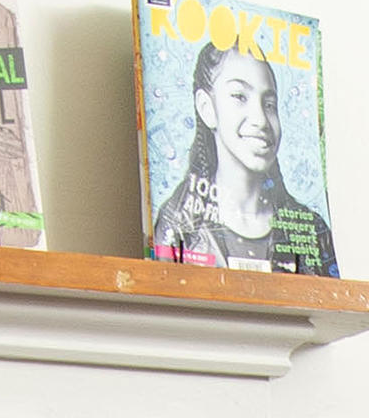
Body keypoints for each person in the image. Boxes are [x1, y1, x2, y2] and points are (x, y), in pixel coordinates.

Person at [143, 36, 335, 275]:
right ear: (206, 108)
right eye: (239, 96)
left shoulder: (313, 231)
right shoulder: (179, 226)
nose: (261, 120)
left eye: (269, 104)